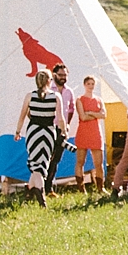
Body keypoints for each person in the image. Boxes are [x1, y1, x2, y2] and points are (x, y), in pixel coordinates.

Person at [12, 70, 64, 206]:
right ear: (49, 81)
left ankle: (29, 190)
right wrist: (64, 132)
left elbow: (22, 115)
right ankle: (40, 193)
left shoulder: (30, 96)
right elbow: (60, 118)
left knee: (36, 164)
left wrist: (18, 131)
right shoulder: (56, 96)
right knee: (41, 165)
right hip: (48, 132)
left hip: (33, 132)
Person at [45, 62, 76, 194]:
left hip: (61, 129)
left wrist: (67, 125)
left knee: (56, 158)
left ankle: (49, 187)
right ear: (54, 75)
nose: (63, 77)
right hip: (49, 128)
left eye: (65, 75)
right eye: (61, 75)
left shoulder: (69, 91)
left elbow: (71, 109)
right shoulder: (48, 90)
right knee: (46, 157)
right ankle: (39, 186)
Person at [73, 75, 107, 193]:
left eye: (92, 84)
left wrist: (91, 113)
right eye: (88, 84)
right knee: (80, 161)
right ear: (84, 85)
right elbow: (82, 116)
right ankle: (81, 188)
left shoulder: (98, 99)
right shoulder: (80, 99)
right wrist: (95, 114)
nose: (91, 86)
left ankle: (100, 187)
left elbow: (103, 115)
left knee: (99, 162)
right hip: (83, 131)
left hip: (95, 132)